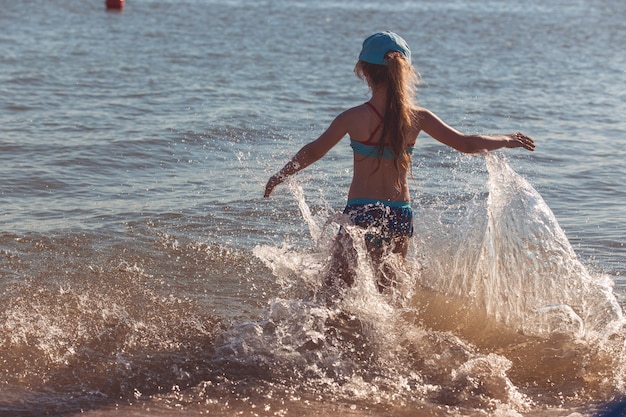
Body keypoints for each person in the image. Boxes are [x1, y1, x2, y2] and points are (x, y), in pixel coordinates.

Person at [264, 31, 535, 293]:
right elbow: (466, 144)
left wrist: (280, 176)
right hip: (400, 214)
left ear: (364, 71)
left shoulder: (352, 117)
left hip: (362, 211)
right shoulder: (418, 117)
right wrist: (505, 139)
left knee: (335, 289)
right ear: (404, 71)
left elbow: (313, 151)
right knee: (388, 291)